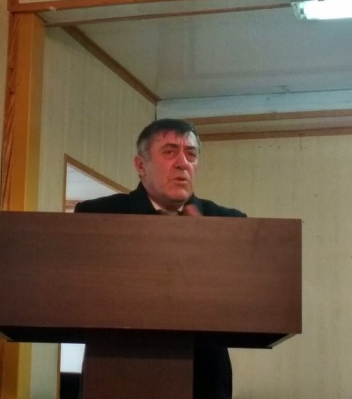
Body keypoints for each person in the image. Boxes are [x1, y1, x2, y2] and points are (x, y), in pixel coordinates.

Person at [74, 118, 246, 399]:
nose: (183, 163)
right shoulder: (98, 216)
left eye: (191, 154)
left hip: (203, 376)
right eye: (169, 152)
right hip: (117, 369)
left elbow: (240, 301)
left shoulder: (227, 222)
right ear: (141, 165)